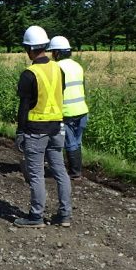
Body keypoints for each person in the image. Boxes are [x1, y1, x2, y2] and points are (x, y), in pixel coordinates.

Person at [14, 26, 72, 228]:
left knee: (36, 174)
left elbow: (24, 107)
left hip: (36, 131)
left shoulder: (29, 74)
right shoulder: (58, 69)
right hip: (57, 128)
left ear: (29, 48)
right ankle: (65, 215)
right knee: (60, 172)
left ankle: (36, 216)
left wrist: (20, 132)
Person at [47, 35, 88, 178]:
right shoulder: (78, 66)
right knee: (77, 141)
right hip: (82, 110)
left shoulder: (56, 67)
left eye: (52, 52)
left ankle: (75, 172)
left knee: (70, 142)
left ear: (57, 53)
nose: (52, 55)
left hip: (67, 112)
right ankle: (77, 169)